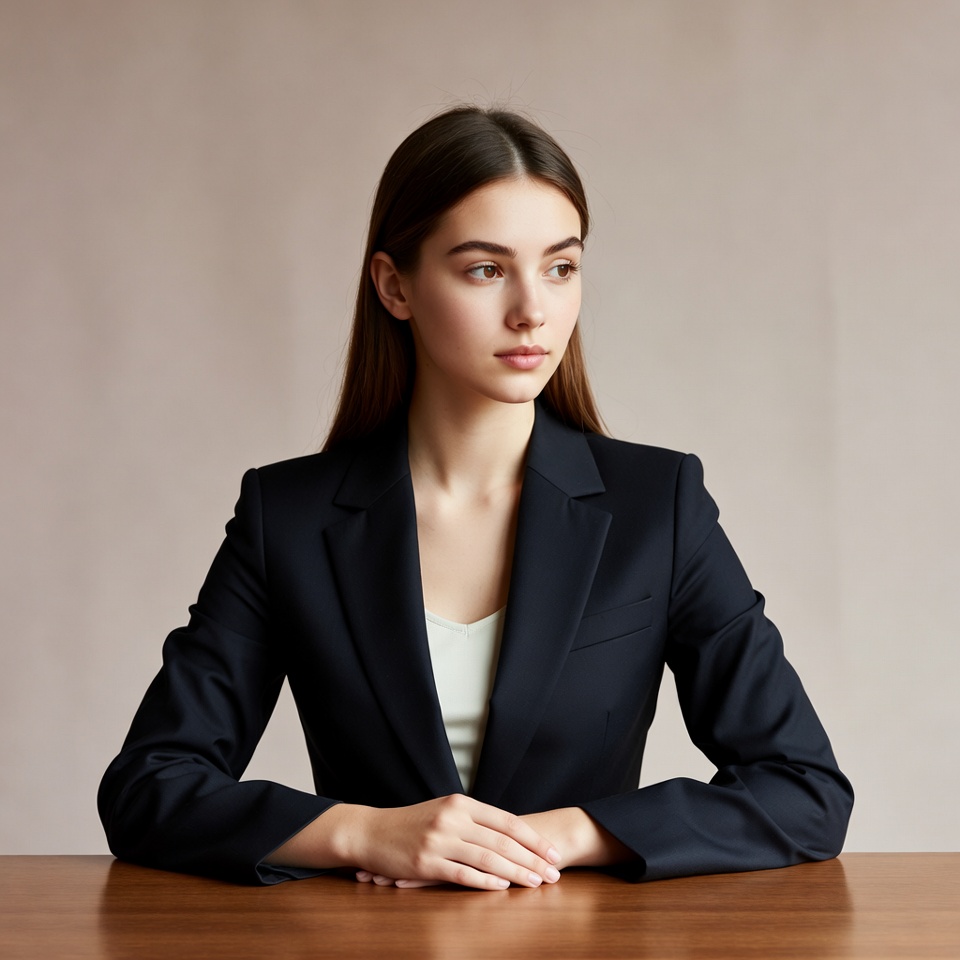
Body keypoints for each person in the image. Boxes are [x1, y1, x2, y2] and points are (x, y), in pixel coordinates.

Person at [98, 106, 853, 889]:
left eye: (561, 267)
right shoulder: (287, 517)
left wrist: (567, 835)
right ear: (395, 286)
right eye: (485, 269)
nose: (533, 309)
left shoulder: (657, 506)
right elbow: (149, 786)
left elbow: (804, 790)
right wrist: (362, 834)